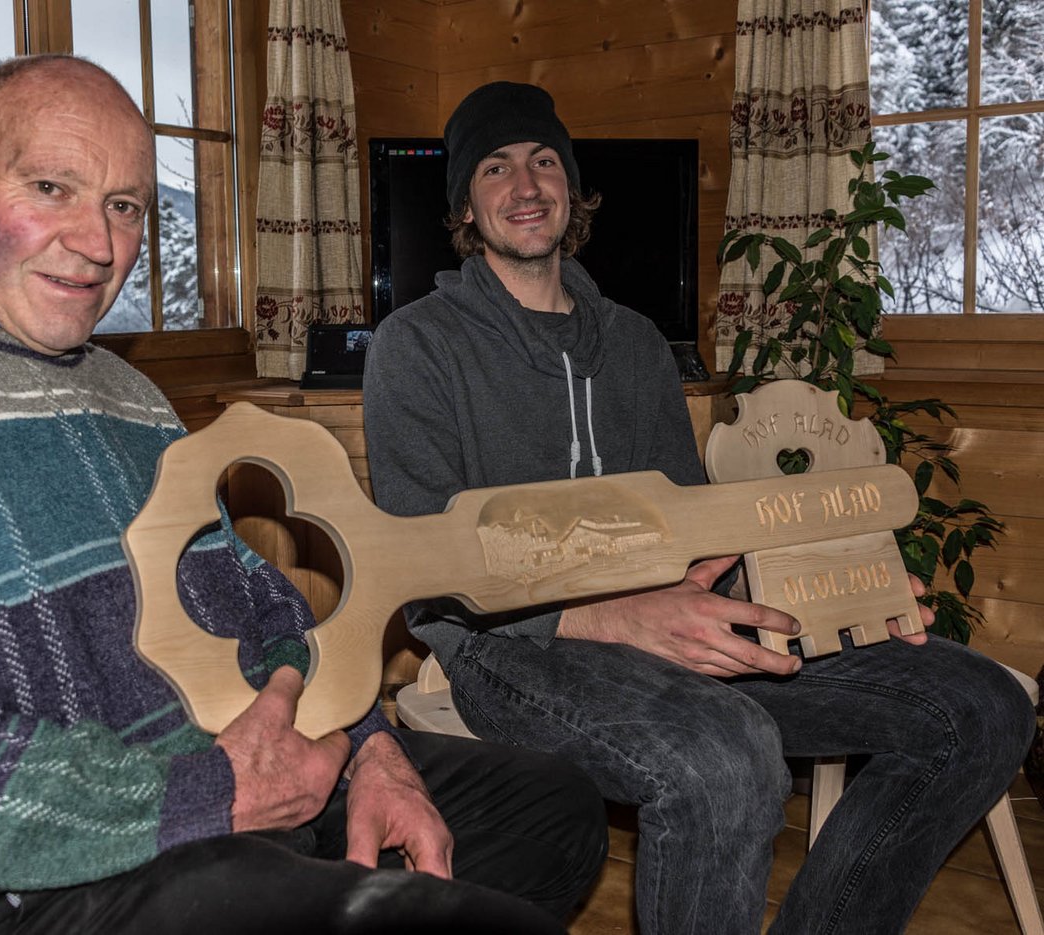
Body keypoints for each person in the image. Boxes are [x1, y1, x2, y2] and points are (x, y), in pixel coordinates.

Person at [0, 58, 608, 935]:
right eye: (51, 189)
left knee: (553, 812)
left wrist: (367, 746)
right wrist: (205, 797)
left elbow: (261, 605)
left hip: (209, 791)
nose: (97, 242)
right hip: (19, 882)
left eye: (124, 205)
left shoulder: (126, 396)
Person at [363, 80, 1035, 935]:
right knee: (728, 760)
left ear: (571, 188)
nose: (525, 185)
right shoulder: (415, 346)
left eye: (543, 162)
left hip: (673, 617)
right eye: (495, 168)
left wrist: (849, 585)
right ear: (466, 201)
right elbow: (425, 570)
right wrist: (609, 613)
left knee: (980, 708)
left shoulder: (638, 344)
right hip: (514, 647)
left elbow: (696, 531)